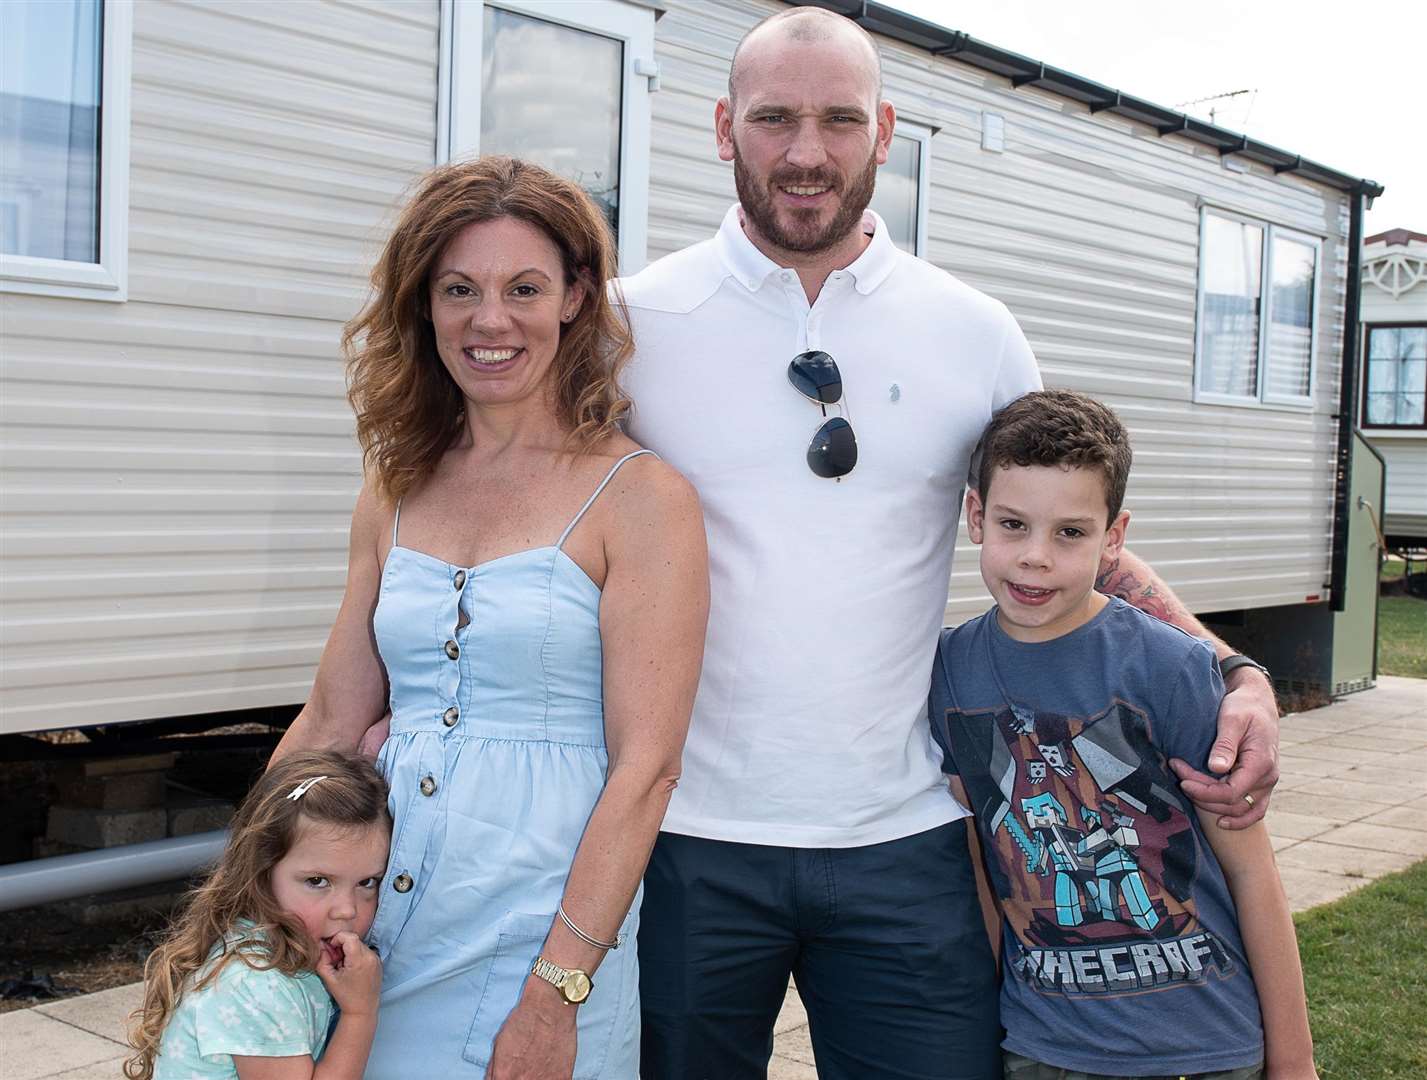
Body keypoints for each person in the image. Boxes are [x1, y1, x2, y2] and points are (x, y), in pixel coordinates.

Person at [617, 7, 1282, 1078]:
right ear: (719, 127)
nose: (803, 152)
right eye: (772, 118)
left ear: (881, 129)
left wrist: (1234, 669)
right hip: (686, 840)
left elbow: (1074, 537)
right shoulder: (630, 327)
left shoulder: (971, 331)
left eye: (837, 120)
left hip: (909, 837)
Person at [270, 157, 708, 1078]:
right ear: (422, 305)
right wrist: (237, 904)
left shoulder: (641, 498)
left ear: (576, 298)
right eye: (458, 289)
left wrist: (557, 994)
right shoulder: (393, 483)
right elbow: (331, 721)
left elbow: (647, 770)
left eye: (524, 288)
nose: (490, 319)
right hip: (378, 916)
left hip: (540, 929)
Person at [931, 390, 1315, 1080]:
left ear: (1114, 537)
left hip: (1201, 1050)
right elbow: (982, 876)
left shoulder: (1169, 668)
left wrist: (1293, 1065)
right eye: (1013, 525)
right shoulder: (949, 673)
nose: (1035, 558)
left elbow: (1250, 870)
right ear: (975, 517)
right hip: (1040, 1049)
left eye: (1070, 533)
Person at [124, 751, 390, 1080]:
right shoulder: (258, 983)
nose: (347, 909)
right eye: (317, 881)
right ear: (262, 873)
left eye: (367, 882)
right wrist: (360, 1012)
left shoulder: (280, 949)